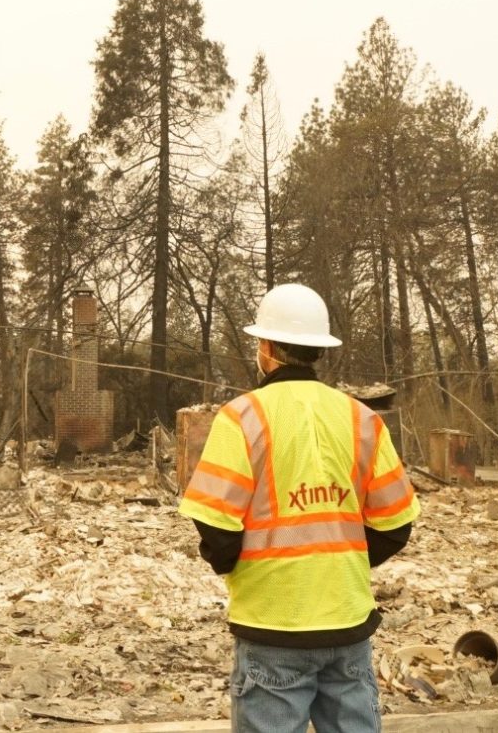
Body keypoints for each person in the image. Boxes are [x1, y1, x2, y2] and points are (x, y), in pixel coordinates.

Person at [179, 283, 419, 733]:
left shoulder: (241, 417)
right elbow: (394, 525)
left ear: (265, 348)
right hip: (348, 623)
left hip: (271, 622)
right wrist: (342, 562)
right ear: (318, 350)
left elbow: (215, 523)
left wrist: (237, 565)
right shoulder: (362, 418)